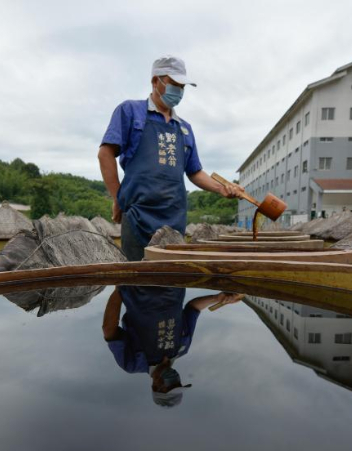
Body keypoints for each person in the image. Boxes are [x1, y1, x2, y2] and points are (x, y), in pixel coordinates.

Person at [98, 55, 244, 261]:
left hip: (174, 218)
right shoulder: (131, 111)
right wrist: (118, 197)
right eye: (174, 84)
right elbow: (105, 153)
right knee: (135, 283)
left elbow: (194, 172)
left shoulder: (184, 128)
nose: (179, 91)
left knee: (171, 282)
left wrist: (222, 189)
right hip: (139, 215)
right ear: (155, 81)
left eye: (182, 87)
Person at [102, 286, 242, 407]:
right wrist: (217, 298)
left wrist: (119, 291)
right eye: (178, 384)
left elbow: (109, 330)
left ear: (155, 386)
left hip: (139, 285)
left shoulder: (133, 364)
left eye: (170, 386)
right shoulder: (182, 348)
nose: (175, 380)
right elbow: (193, 308)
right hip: (173, 281)